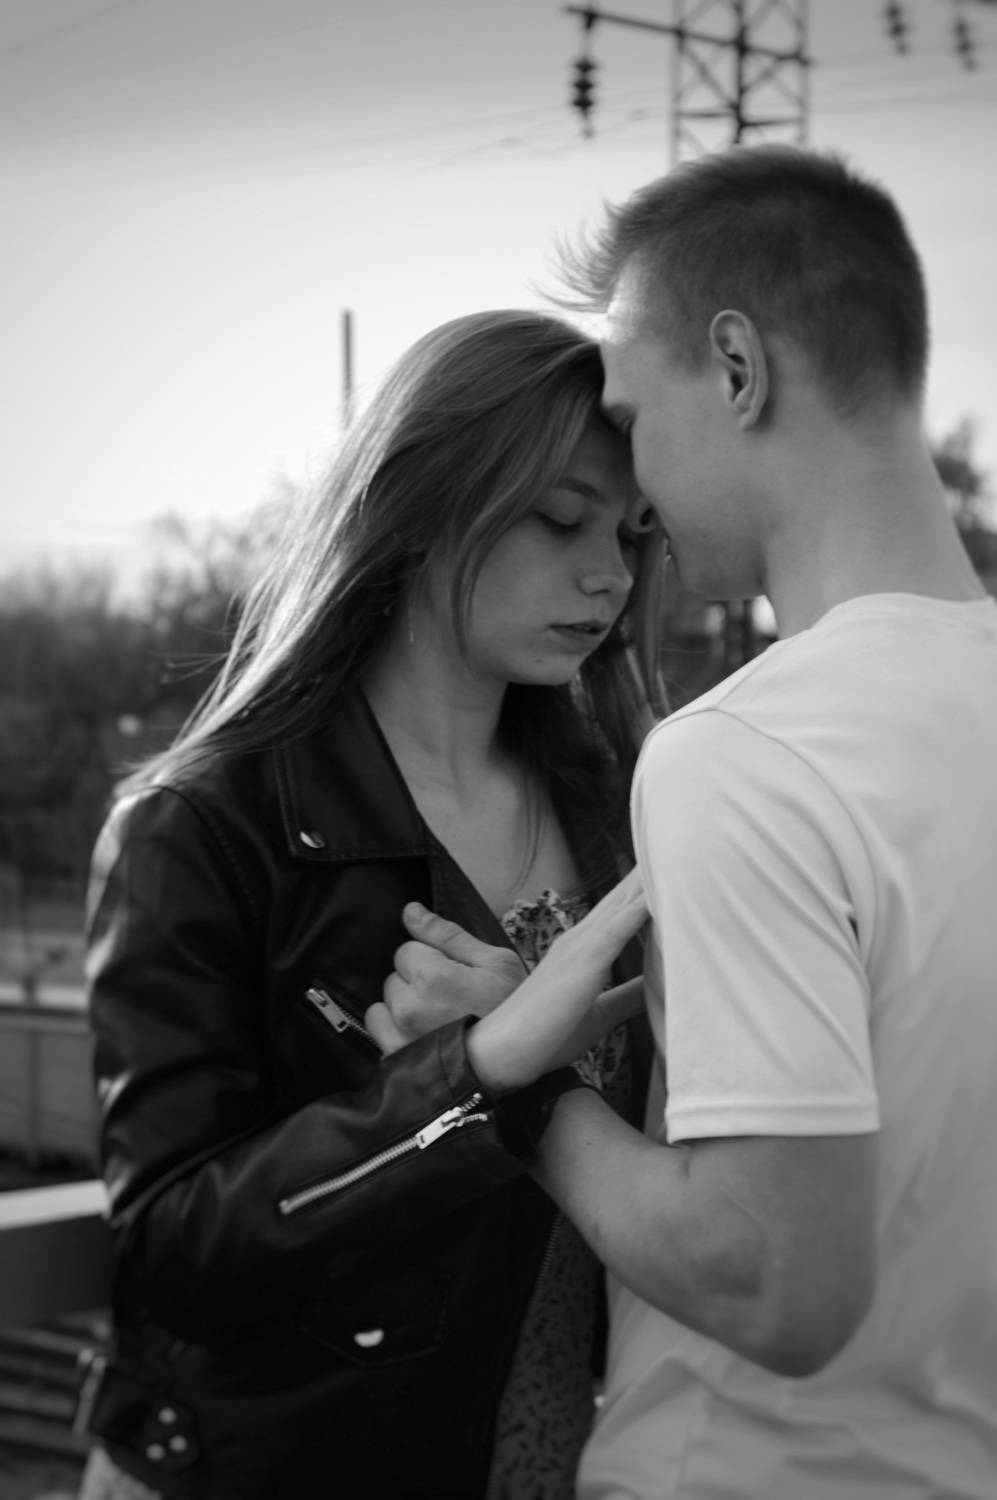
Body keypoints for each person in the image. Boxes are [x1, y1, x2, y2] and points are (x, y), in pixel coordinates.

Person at [372, 146, 997, 1498]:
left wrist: (517, 1086)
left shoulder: (742, 753)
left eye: (634, 416)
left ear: (736, 369)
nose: (638, 496)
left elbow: (776, 1282)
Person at [76, 308, 668, 1500]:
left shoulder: (622, 801)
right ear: (421, 507)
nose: (607, 572)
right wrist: (467, 1078)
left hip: (546, 1451)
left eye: (630, 529)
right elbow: (176, 1249)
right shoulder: (204, 827)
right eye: (560, 519)